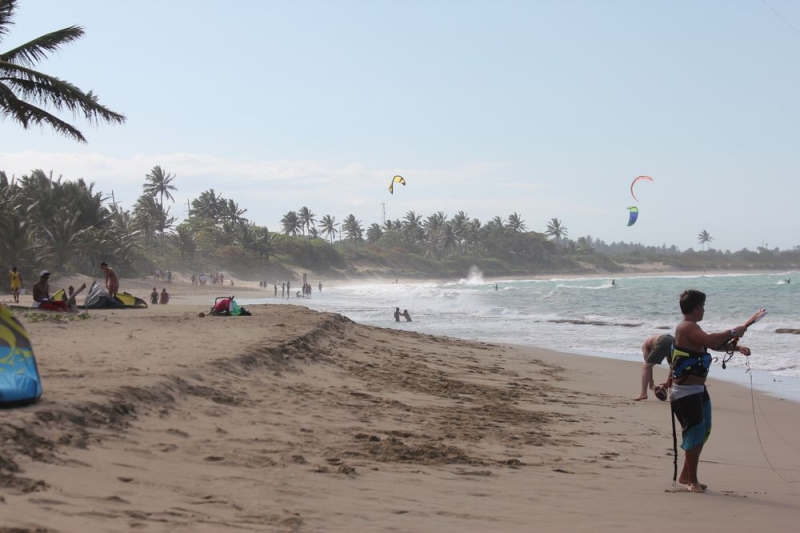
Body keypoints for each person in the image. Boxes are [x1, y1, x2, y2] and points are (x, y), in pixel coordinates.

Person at [669, 289, 751, 493]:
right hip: (685, 391)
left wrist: (737, 348)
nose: (704, 309)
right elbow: (711, 340)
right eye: (702, 306)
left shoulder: (693, 328)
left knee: (704, 431)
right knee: (694, 432)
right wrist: (734, 331)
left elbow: (713, 346)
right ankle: (692, 481)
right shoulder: (686, 326)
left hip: (698, 389)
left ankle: (686, 475)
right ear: (696, 308)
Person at [634, 333, 674, 401]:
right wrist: (667, 383)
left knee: (645, 366)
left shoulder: (644, 346)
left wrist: (651, 381)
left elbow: (648, 365)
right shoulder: (653, 340)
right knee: (673, 366)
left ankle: (643, 393)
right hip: (673, 340)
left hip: (663, 340)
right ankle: (672, 395)